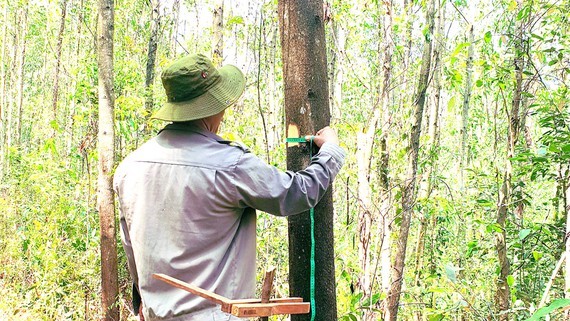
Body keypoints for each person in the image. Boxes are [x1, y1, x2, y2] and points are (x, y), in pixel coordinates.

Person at [113, 54, 346, 321]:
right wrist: (331, 152)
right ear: (213, 107)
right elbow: (297, 192)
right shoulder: (229, 165)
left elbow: (131, 247)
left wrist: (144, 300)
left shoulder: (129, 168)